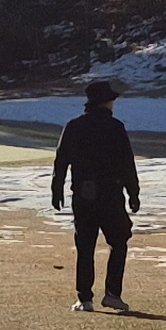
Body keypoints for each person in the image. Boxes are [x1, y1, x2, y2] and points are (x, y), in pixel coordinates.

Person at [51, 79, 142, 315]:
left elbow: (61, 161)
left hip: (83, 195)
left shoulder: (73, 126)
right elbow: (127, 164)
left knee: (85, 246)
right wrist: (133, 193)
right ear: (107, 102)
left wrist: (57, 189)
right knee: (118, 242)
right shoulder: (116, 127)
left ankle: (85, 298)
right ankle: (112, 294)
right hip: (111, 195)